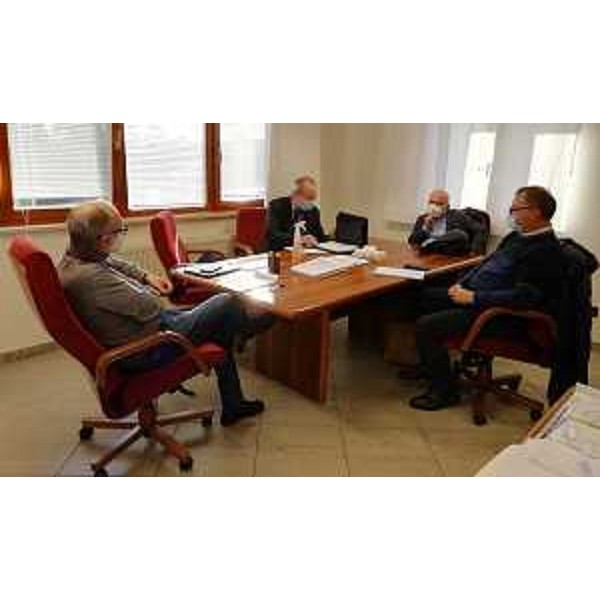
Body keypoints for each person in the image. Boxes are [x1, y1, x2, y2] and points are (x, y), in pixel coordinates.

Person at [58, 200, 274, 427]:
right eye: (119, 232)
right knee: (228, 302)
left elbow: (113, 263)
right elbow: (152, 307)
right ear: (103, 240)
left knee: (220, 322)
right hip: (148, 347)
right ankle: (249, 330)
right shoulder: (92, 279)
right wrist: (143, 288)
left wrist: (145, 277)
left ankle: (233, 403)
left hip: (144, 331)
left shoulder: (76, 258)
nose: (121, 236)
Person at [409, 186, 565, 412]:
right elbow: (485, 264)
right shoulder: (517, 237)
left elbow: (524, 297)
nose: (511, 213)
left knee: (427, 326)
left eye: (515, 209)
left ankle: (444, 391)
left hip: (500, 315)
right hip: (476, 298)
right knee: (420, 297)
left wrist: (474, 297)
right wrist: (462, 285)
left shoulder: (546, 251)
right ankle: (430, 365)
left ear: (536, 212)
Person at [408, 189, 487, 255]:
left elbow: (479, 229)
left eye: (439, 204)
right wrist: (425, 228)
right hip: (427, 255)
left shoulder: (457, 216)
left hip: (449, 254)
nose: (434, 206)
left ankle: (433, 244)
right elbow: (412, 242)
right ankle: (433, 246)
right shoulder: (422, 218)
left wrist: (474, 252)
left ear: (447, 206)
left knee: (459, 235)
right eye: (432, 202)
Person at [266, 176, 328, 251]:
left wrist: (314, 239)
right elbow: (274, 235)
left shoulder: (313, 211)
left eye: (312, 199)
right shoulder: (276, 206)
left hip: (306, 252)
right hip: (279, 251)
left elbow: (320, 236)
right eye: (307, 199)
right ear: (295, 195)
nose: (310, 204)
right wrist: (300, 239)